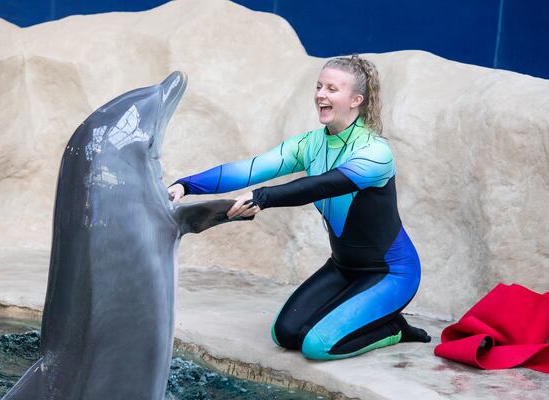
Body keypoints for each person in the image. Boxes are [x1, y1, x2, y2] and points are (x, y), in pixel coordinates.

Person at [168, 54, 430, 360]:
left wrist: (262, 198)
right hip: (344, 267)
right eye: (319, 86)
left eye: (332, 89)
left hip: (391, 273)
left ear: (356, 99)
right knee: (286, 334)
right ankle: (361, 315)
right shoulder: (310, 144)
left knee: (317, 346)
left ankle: (393, 329)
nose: (321, 94)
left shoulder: (375, 152)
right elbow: (249, 169)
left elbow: (322, 185)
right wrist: (185, 185)